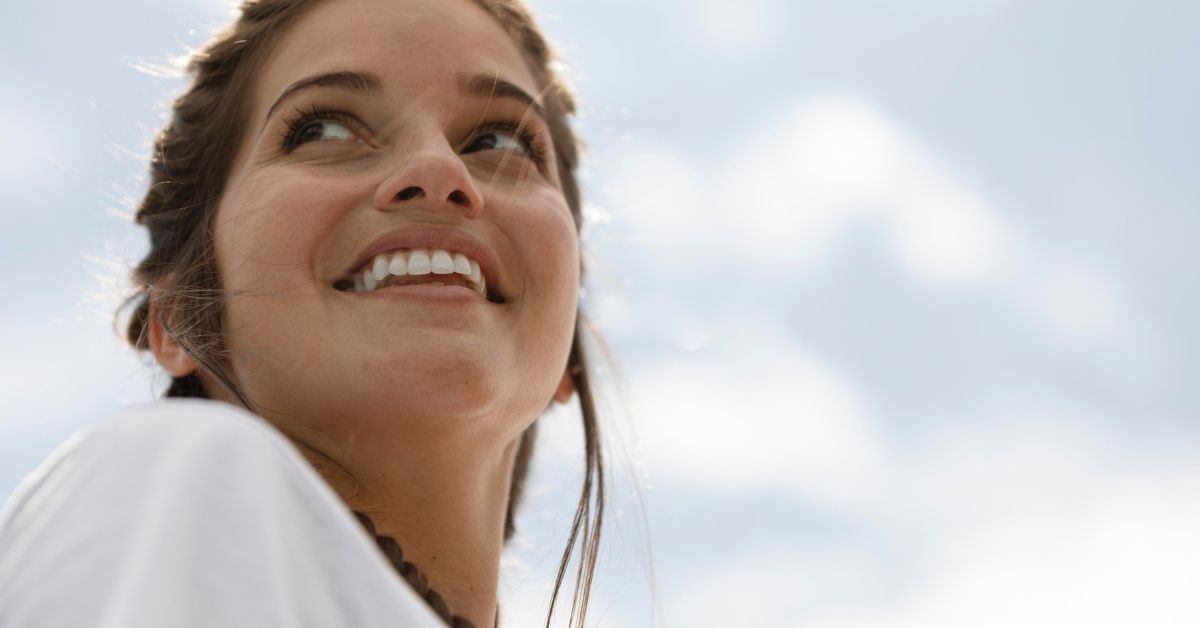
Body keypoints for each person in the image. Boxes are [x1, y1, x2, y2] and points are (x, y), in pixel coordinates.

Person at [0, 0, 607, 626]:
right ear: (179, 316)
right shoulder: (178, 467)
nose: (437, 170)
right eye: (324, 129)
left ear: (570, 354)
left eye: (500, 140)